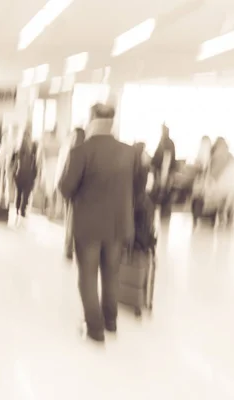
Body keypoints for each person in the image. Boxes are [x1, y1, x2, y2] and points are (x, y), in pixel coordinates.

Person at [58, 103, 137, 343]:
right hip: (118, 225)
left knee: (89, 277)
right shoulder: (128, 152)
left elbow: (66, 188)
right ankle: (110, 322)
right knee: (112, 275)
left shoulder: (81, 152)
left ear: (92, 120)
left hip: (89, 226)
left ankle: (95, 329)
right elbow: (139, 187)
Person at [56, 127, 86, 259]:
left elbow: (64, 170)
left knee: (70, 219)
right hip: (83, 193)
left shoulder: (71, 151)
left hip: (71, 191)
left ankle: (68, 247)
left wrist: (62, 187)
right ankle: (75, 247)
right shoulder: (85, 152)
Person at [12, 128, 39, 226]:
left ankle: (18, 209)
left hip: (22, 173)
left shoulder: (22, 148)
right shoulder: (31, 148)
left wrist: (14, 172)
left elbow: (16, 162)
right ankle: (21, 209)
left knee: (20, 193)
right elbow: (35, 162)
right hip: (26, 174)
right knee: (24, 193)